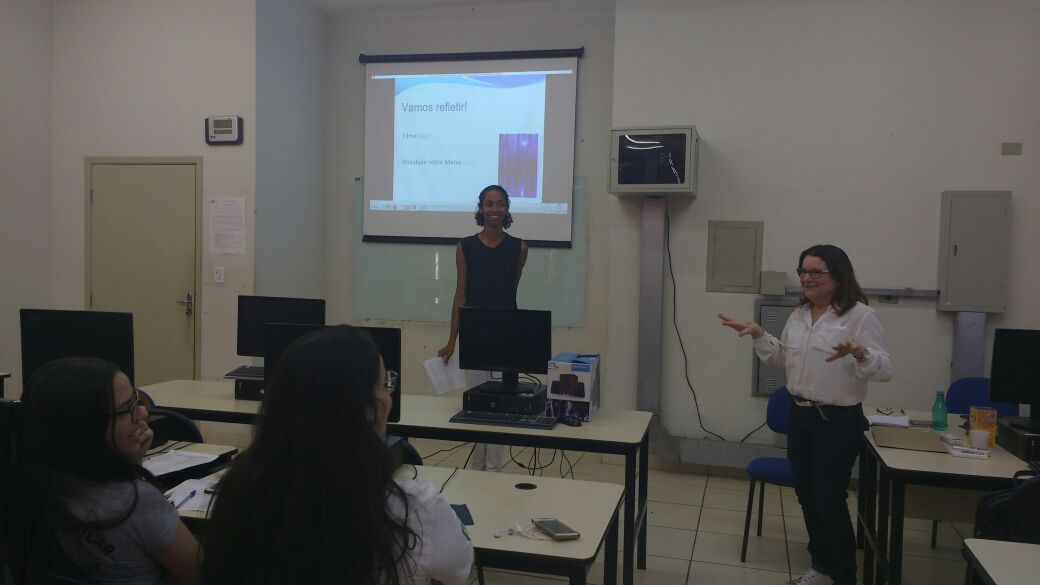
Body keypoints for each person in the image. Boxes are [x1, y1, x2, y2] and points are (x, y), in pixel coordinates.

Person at [202, 325, 473, 585]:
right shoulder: (416, 509)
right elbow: (458, 571)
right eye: (383, 385)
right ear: (368, 410)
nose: (388, 396)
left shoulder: (239, 492)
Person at [719, 244, 893, 585]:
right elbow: (785, 359)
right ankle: (822, 567)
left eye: (816, 272)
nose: (807, 278)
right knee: (808, 495)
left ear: (838, 277)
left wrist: (862, 354)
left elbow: (885, 369)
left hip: (837, 421)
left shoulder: (860, 316)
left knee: (829, 498)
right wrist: (759, 335)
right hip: (801, 416)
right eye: (803, 271)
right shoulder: (799, 315)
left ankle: (844, 576)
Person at [10, 357, 201, 585]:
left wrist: (131, 462)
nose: (143, 413)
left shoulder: (27, 487)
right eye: (127, 408)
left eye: (137, 401)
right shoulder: (138, 501)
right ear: (86, 429)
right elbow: (201, 574)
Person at [437, 184, 529, 472]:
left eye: (500, 204)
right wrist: (452, 340)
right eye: (489, 204)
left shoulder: (520, 248)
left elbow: (511, 288)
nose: (494, 209)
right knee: (477, 405)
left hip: (506, 336)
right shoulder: (465, 246)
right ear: (481, 208)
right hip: (474, 336)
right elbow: (460, 295)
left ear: (507, 208)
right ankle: (477, 467)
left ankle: (494, 469)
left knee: (501, 404)